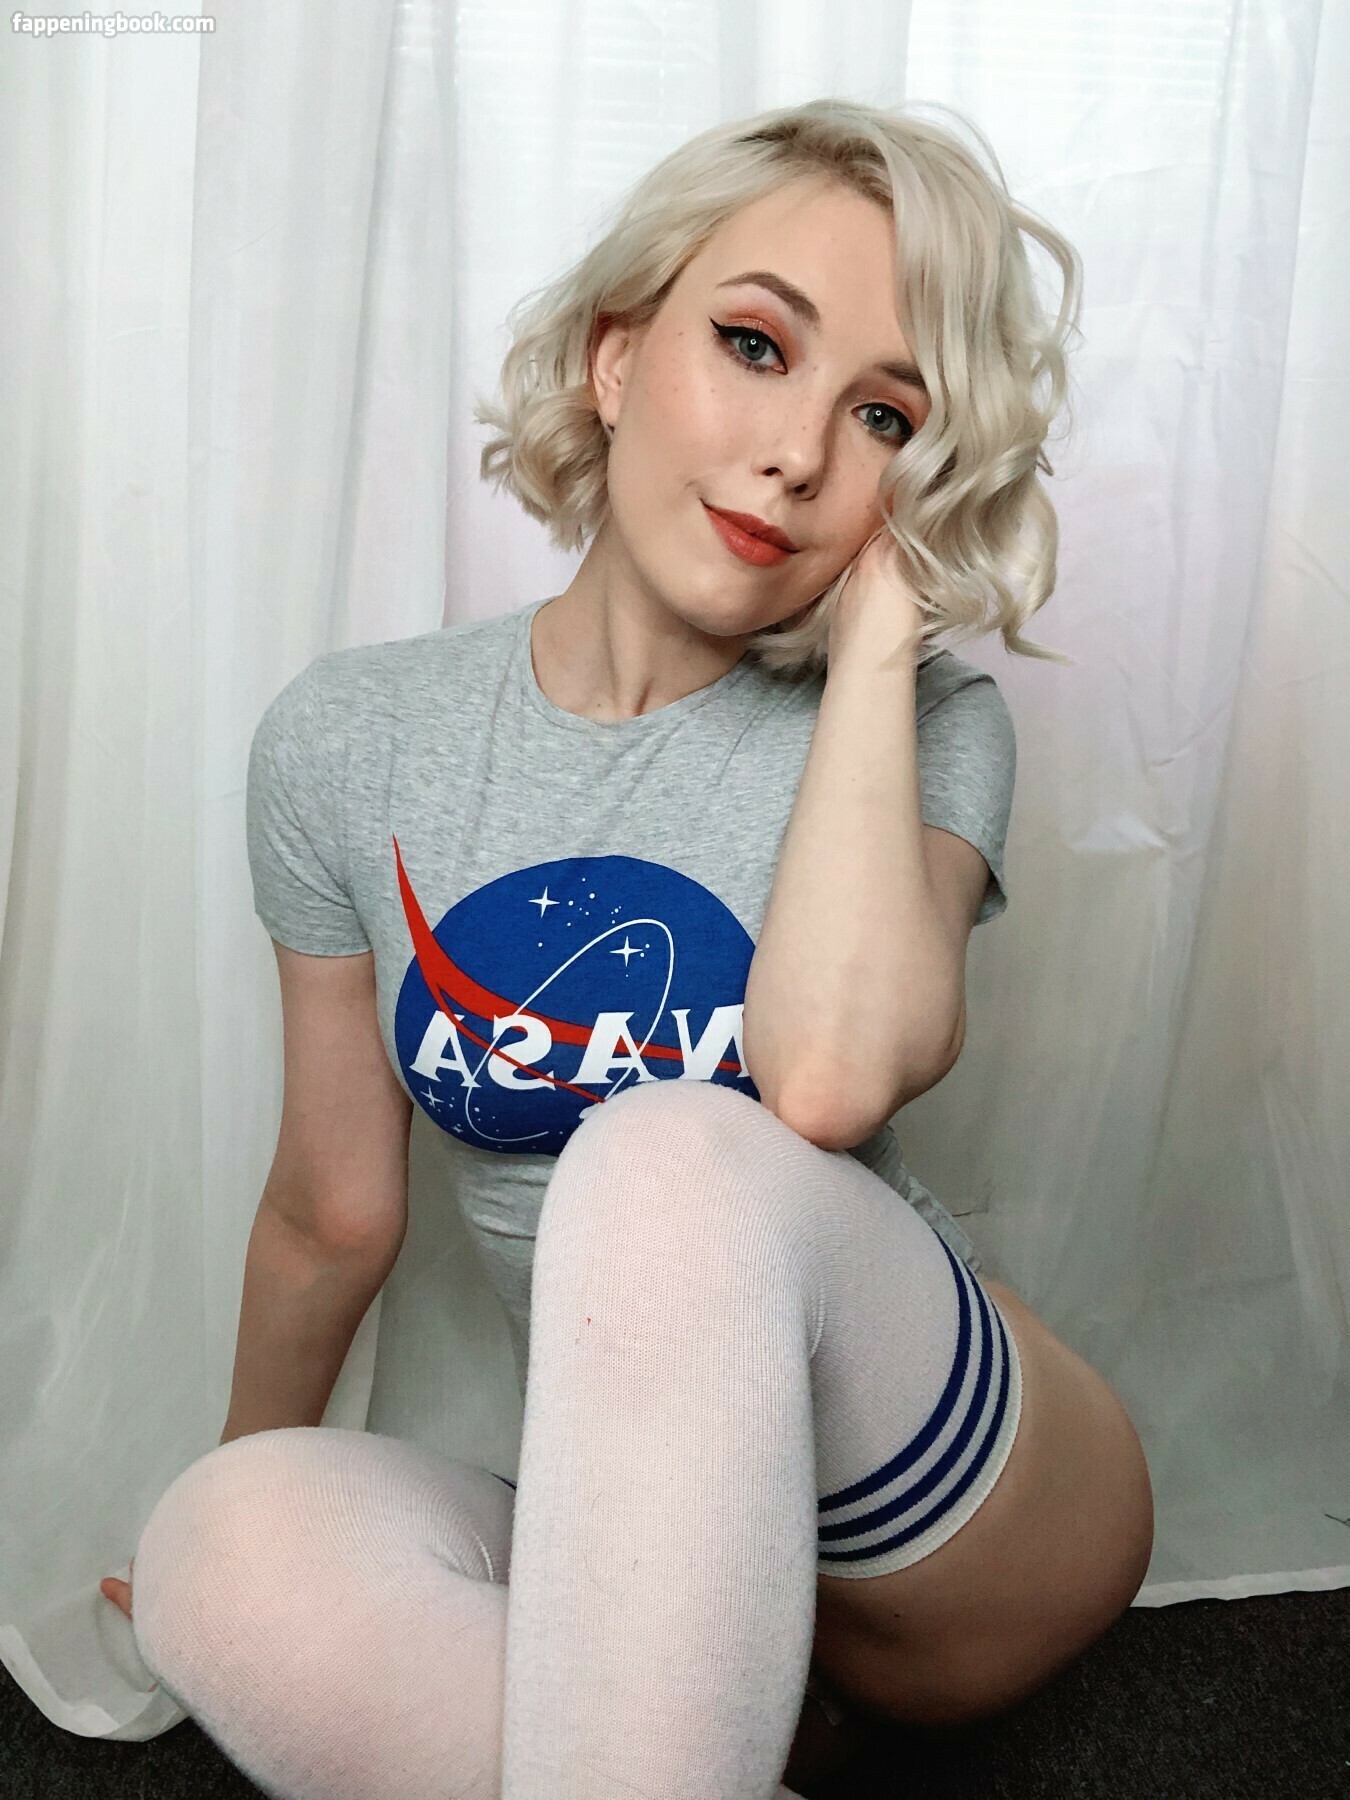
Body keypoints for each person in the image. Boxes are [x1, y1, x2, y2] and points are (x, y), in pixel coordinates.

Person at [103, 96, 1155, 1799]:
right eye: (754, 345)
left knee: (669, 1154)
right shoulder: (354, 738)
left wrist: (882, 628)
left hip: (950, 1527)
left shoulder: (925, 725)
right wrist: (228, 1498)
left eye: (883, 417)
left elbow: (824, 1078)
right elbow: (329, 1211)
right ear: (614, 359)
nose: (799, 453)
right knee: (217, 1546)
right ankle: (713, 1749)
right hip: (648, 1544)